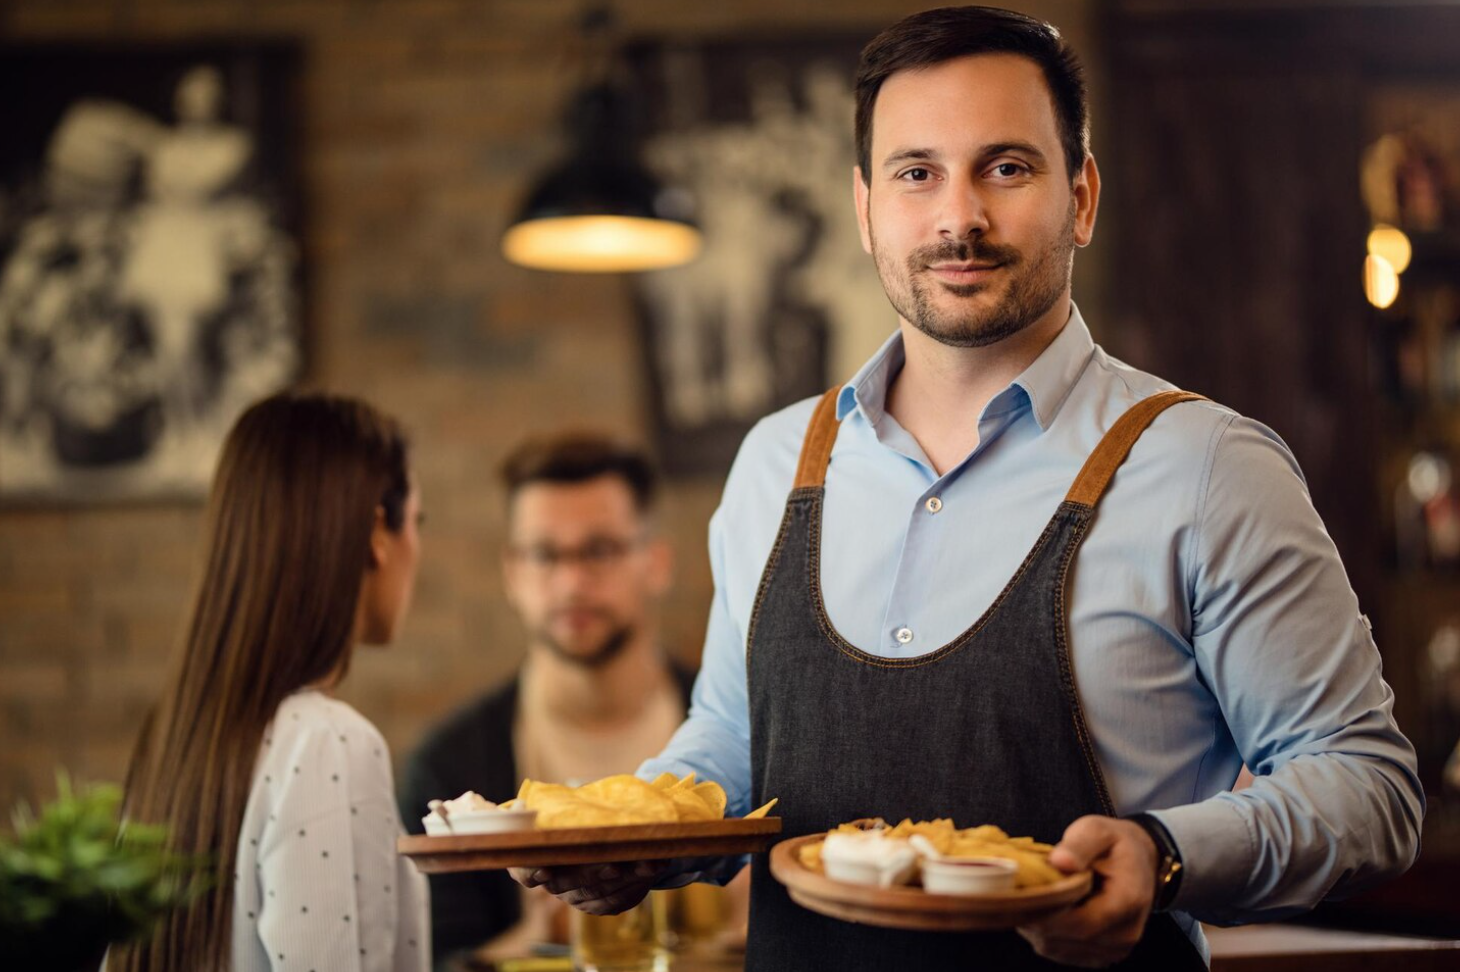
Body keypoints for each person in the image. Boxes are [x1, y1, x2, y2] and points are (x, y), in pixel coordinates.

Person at [515, 7, 1425, 971]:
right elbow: (734, 743)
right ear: (865, 209)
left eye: (1007, 167)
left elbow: (1370, 786)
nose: (960, 217)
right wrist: (635, 841)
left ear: (1082, 197)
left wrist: (1164, 855)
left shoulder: (1205, 467)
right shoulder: (776, 464)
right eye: (917, 173)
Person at [113, 392, 429, 972]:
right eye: (418, 521)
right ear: (378, 533)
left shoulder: (178, 737)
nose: (419, 547)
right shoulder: (328, 740)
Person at [400, 433, 742, 968]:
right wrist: (534, 938)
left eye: (600, 550)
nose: (571, 581)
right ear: (512, 573)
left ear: (656, 562)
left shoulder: (738, 735)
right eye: (543, 554)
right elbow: (430, 959)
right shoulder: (446, 770)